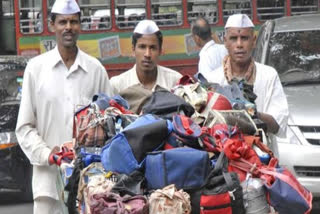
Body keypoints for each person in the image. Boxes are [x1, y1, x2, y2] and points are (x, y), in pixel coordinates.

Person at [15, 0, 113, 213]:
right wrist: (49, 155)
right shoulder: (36, 69)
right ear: (52, 25)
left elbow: (112, 125)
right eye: (62, 22)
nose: (68, 27)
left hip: (90, 187)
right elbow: (24, 128)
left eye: (73, 22)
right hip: (47, 187)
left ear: (80, 26)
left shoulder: (95, 70)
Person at [203, 14, 289, 156]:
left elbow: (278, 124)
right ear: (225, 41)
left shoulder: (269, 75)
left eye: (244, 38)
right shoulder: (212, 79)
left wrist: (251, 114)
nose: (239, 44)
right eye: (233, 38)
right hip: (225, 161)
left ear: (254, 41)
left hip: (263, 157)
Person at [110, 19, 182, 112]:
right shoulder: (117, 85)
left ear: (160, 51)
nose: (147, 54)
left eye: (153, 48)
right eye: (142, 47)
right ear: (133, 50)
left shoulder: (175, 81)